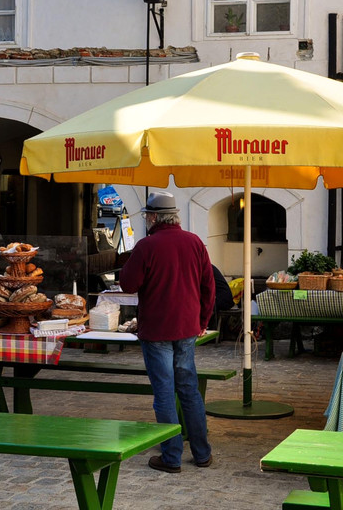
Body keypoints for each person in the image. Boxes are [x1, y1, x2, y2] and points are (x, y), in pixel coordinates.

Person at [119, 191, 214, 473]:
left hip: (157, 329)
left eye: (147, 215)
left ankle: (171, 457)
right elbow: (208, 287)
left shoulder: (147, 246)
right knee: (189, 390)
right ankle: (202, 453)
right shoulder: (194, 242)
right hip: (187, 327)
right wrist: (202, 321)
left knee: (164, 392)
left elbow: (128, 284)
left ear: (153, 217)